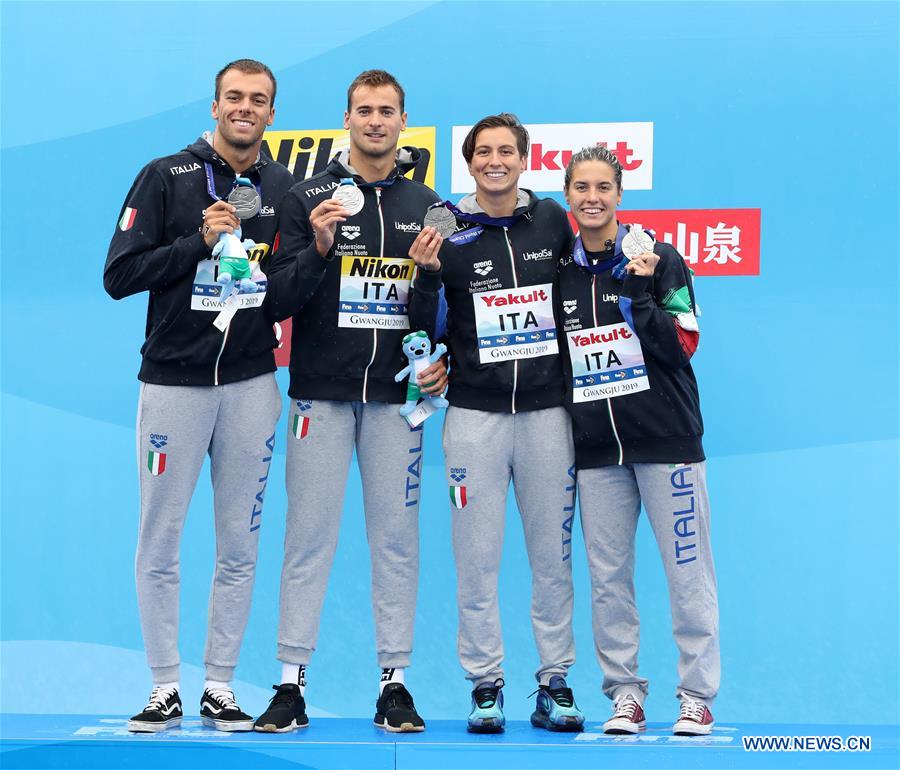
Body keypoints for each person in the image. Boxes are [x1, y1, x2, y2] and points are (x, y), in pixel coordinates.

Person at [104, 60, 294, 732]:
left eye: (259, 100)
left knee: (240, 542)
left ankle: (218, 684)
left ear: (272, 113)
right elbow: (120, 274)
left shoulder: (282, 187)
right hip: (173, 385)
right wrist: (197, 242)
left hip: (250, 386)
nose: (246, 108)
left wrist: (319, 246)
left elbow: (293, 283)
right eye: (235, 97)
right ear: (214, 105)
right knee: (161, 538)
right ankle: (163, 686)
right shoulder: (166, 176)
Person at [256, 70, 446, 734]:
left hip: (396, 403)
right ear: (346, 119)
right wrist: (316, 248)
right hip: (320, 397)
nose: (374, 121)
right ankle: (288, 686)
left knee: (396, 542)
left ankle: (394, 685)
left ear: (403, 122)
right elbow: (276, 301)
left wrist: (425, 277)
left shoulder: (427, 203)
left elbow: (431, 317)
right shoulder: (306, 198)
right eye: (364, 111)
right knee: (307, 539)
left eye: (386, 112)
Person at [409, 113, 584, 733]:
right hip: (475, 417)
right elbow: (421, 324)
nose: (495, 161)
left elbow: (581, 298)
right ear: (470, 161)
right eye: (484, 152)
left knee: (551, 559)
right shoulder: (447, 232)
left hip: (546, 417)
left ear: (523, 158)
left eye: (506, 151)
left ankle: (555, 681)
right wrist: (425, 280)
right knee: (475, 558)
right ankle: (485, 685)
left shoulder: (556, 221)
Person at [558, 145, 720, 736]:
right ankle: (624, 694)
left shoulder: (663, 259)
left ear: (620, 195)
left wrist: (642, 296)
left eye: (604, 187)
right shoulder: (564, 271)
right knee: (609, 580)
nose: (593, 198)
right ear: (568, 196)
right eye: (582, 187)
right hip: (598, 453)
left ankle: (696, 696)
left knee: (687, 572)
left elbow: (683, 347)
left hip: (668, 444)